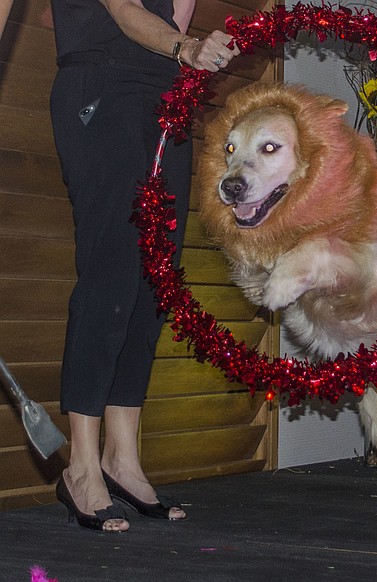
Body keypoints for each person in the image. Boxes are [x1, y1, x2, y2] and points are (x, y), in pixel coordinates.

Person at [50, 0, 239, 532]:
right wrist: (185, 48)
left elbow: (175, 19)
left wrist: (196, 50)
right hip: (98, 85)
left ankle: (121, 460)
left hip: (162, 92)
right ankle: (82, 468)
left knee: (154, 279)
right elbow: (123, 10)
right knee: (109, 271)